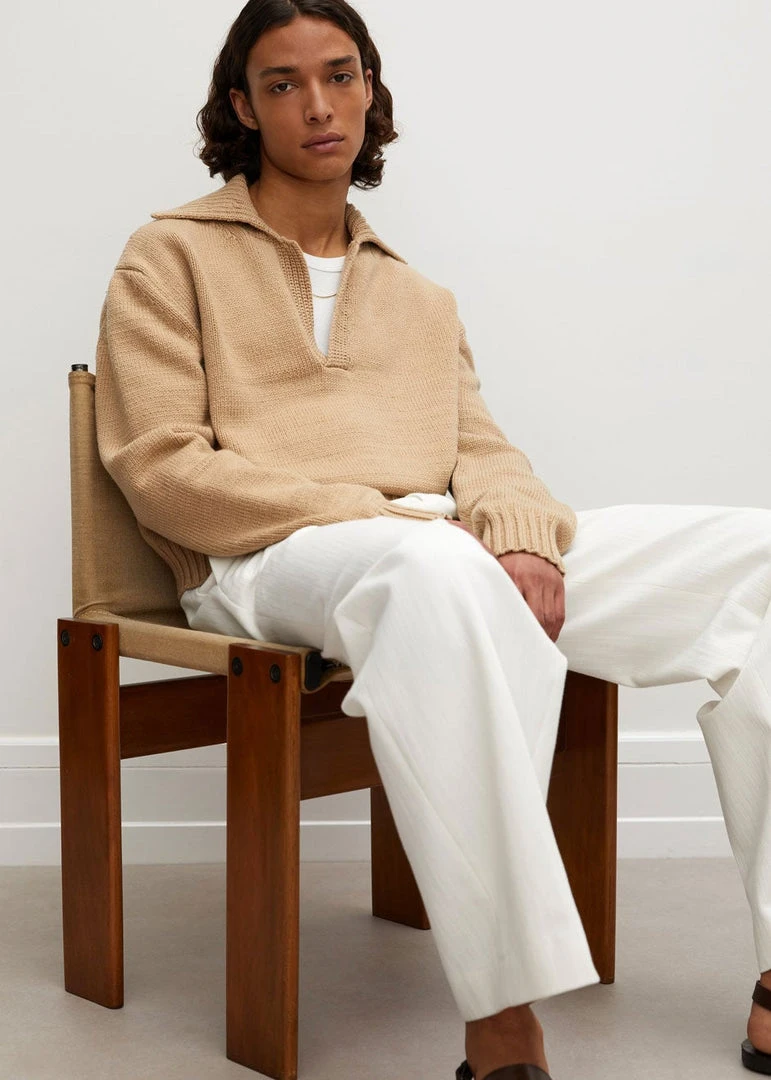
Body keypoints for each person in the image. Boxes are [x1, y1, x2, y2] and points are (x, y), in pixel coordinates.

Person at [93, 1, 771, 1077]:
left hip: (432, 550)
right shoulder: (166, 257)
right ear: (242, 108)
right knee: (436, 565)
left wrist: (522, 538)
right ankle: (504, 1015)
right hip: (266, 562)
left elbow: (484, 452)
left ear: (370, 89)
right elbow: (163, 470)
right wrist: (391, 516)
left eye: (340, 75)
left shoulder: (419, 296)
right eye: (282, 83)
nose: (319, 105)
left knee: (756, 558)